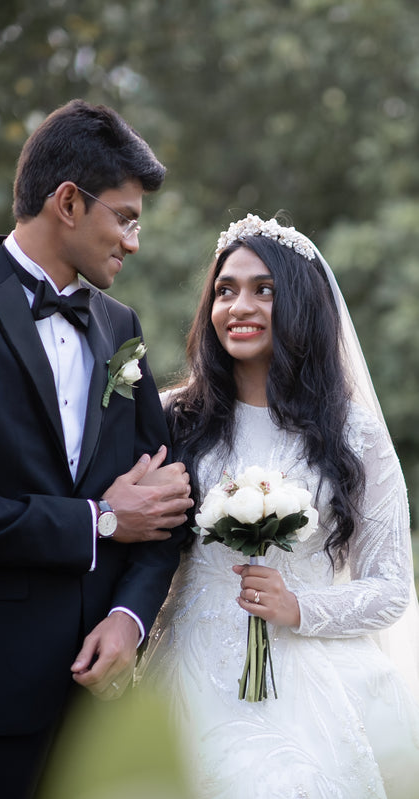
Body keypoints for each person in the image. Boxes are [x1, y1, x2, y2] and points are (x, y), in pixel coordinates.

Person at [0, 99, 193, 799]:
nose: (134, 240)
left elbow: (169, 501)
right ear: (66, 201)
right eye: (125, 216)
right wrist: (98, 519)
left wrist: (129, 620)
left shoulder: (121, 325)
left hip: (100, 707)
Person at [138, 214, 419, 799]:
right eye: (225, 290)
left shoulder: (354, 435)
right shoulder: (172, 417)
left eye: (263, 290)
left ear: (301, 306)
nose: (239, 306)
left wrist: (298, 608)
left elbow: (392, 585)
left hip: (310, 683)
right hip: (187, 678)